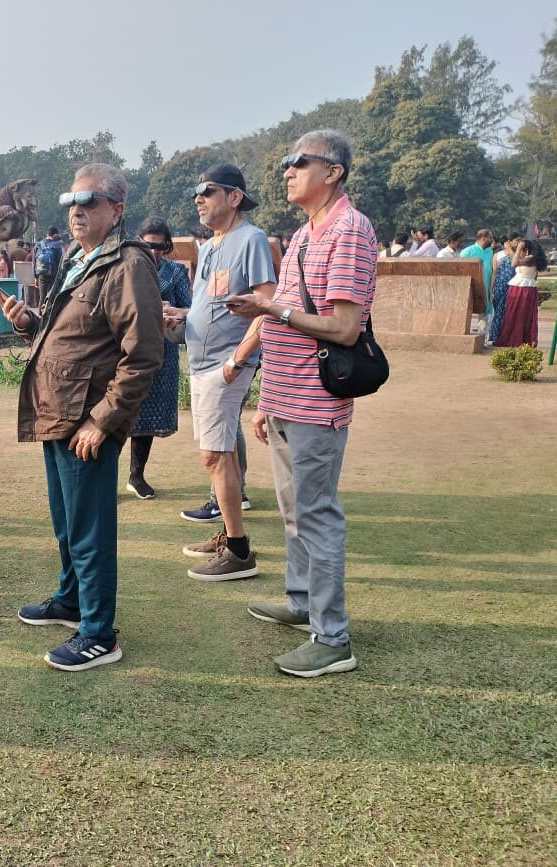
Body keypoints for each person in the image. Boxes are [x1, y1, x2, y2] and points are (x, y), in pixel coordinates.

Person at [0, 163, 163, 672]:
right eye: (72, 199)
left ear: (116, 209)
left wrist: (103, 420)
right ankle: (72, 601)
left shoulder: (127, 264)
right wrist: (29, 323)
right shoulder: (80, 258)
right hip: (58, 411)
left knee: (89, 529)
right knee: (67, 524)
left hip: (85, 421)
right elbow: (73, 336)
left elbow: (142, 355)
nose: (77, 209)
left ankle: (98, 632)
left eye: (88, 200)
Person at [226, 129, 377, 678]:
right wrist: (267, 397)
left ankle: (332, 637)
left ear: (333, 172)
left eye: (299, 162)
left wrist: (272, 311)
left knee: (317, 515)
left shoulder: (350, 231)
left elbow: (342, 325)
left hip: (318, 400)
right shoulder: (306, 233)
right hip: (289, 396)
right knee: (293, 511)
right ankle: (301, 602)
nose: (287, 170)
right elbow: (285, 310)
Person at [179, 164, 276, 581]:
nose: (199, 198)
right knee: (220, 457)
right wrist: (181, 315)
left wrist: (238, 360)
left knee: (215, 457)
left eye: (209, 191)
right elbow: (210, 305)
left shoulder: (251, 240)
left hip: (223, 365)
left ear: (234, 197)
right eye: (197, 192)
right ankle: (229, 534)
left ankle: (238, 552)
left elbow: (269, 304)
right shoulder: (211, 245)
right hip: (202, 363)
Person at [124, 217, 192, 499]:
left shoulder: (175, 272)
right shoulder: (124, 269)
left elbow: (189, 308)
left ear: (167, 246)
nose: (153, 251)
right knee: (117, 412)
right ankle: (101, 479)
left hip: (161, 352)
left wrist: (171, 310)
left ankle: (136, 475)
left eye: (160, 245)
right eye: (148, 245)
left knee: (147, 415)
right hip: (125, 350)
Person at [495, 239, 546, 347]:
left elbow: (514, 263)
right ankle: (522, 338)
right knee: (519, 314)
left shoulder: (530, 259)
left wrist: (516, 249)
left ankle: (516, 338)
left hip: (522, 289)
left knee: (517, 314)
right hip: (526, 287)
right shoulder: (531, 259)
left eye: (522, 249)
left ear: (526, 250)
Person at [488, 233, 522, 345]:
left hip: (512, 288)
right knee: (498, 313)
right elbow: (494, 273)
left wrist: (511, 252)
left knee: (509, 313)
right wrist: (491, 290)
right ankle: (496, 338)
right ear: (509, 241)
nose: (519, 243)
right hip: (499, 287)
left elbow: (517, 265)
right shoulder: (498, 255)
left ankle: (507, 338)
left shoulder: (519, 255)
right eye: (517, 240)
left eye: (520, 240)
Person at [460, 229, 495, 334]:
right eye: (490, 237)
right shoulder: (467, 252)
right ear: (483, 238)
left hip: (486, 287)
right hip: (470, 287)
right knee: (466, 311)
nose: (492, 240)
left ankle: (482, 337)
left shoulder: (491, 252)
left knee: (485, 312)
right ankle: (463, 334)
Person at [32, 225, 64, 308]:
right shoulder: (57, 245)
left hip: (41, 274)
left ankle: (40, 316)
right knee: (51, 297)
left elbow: (34, 262)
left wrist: (35, 277)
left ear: (47, 234)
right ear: (55, 234)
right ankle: (48, 316)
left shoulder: (38, 245)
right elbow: (60, 262)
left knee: (42, 297)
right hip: (53, 274)